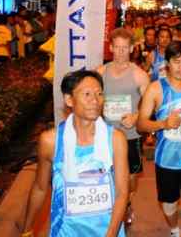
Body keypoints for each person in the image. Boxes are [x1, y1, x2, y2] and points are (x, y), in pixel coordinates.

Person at [22, 70, 129, 237]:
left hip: (107, 230)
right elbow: (40, 188)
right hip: (66, 230)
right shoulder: (51, 141)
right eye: (87, 94)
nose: (95, 100)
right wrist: (26, 230)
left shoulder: (115, 139)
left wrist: (111, 233)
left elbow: (122, 192)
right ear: (69, 99)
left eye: (99, 94)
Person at [138, 41, 181, 237]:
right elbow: (141, 124)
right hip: (166, 158)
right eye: (177, 62)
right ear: (167, 62)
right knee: (169, 203)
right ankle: (175, 231)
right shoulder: (155, 89)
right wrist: (163, 124)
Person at [96, 28, 149, 225]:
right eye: (117, 48)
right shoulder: (100, 72)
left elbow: (150, 103)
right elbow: (93, 99)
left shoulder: (139, 75)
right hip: (106, 134)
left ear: (132, 48)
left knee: (131, 176)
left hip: (130, 135)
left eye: (124, 48)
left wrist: (137, 116)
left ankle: (127, 202)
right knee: (107, 174)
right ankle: (112, 206)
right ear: (110, 48)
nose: (120, 52)